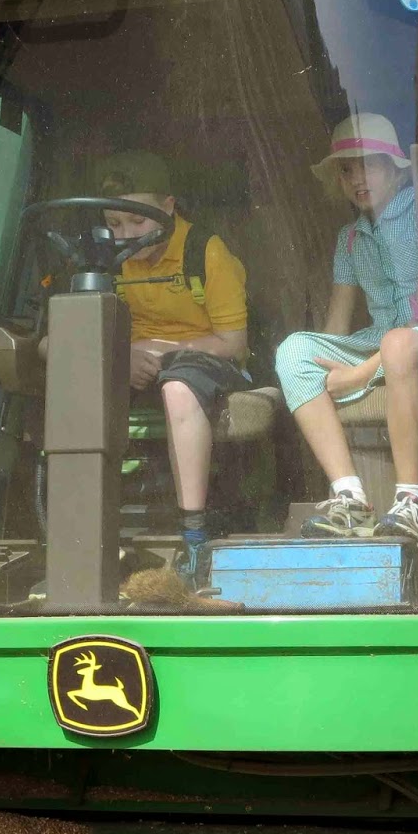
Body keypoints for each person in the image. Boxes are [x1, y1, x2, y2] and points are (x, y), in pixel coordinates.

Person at [274, 113, 418, 541]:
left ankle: (410, 503)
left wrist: (359, 374)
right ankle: (349, 497)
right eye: (346, 169)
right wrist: (323, 369)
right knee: (293, 349)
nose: (357, 177)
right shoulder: (349, 238)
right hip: (384, 339)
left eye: (369, 165)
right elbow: (336, 330)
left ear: (395, 170)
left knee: (399, 342)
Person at [95, 152, 250, 577]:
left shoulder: (206, 252)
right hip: (136, 357)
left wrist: (160, 350)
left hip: (207, 359)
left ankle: (194, 537)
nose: (126, 235)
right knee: (81, 377)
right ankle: (85, 532)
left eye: (138, 222)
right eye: (115, 224)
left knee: (178, 387)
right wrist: (122, 358)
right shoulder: (109, 260)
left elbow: (234, 343)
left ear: (167, 207)